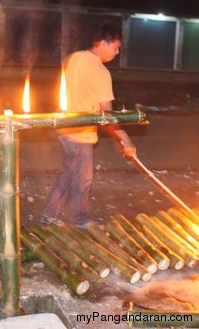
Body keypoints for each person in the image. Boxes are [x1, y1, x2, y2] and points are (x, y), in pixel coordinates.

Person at [41, 23, 136, 228]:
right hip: (81, 134)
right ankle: (80, 220)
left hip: (65, 128)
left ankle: (49, 215)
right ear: (103, 43)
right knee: (83, 180)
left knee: (68, 173)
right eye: (115, 47)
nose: (117, 52)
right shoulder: (101, 72)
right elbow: (108, 115)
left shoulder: (73, 58)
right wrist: (125, 140)